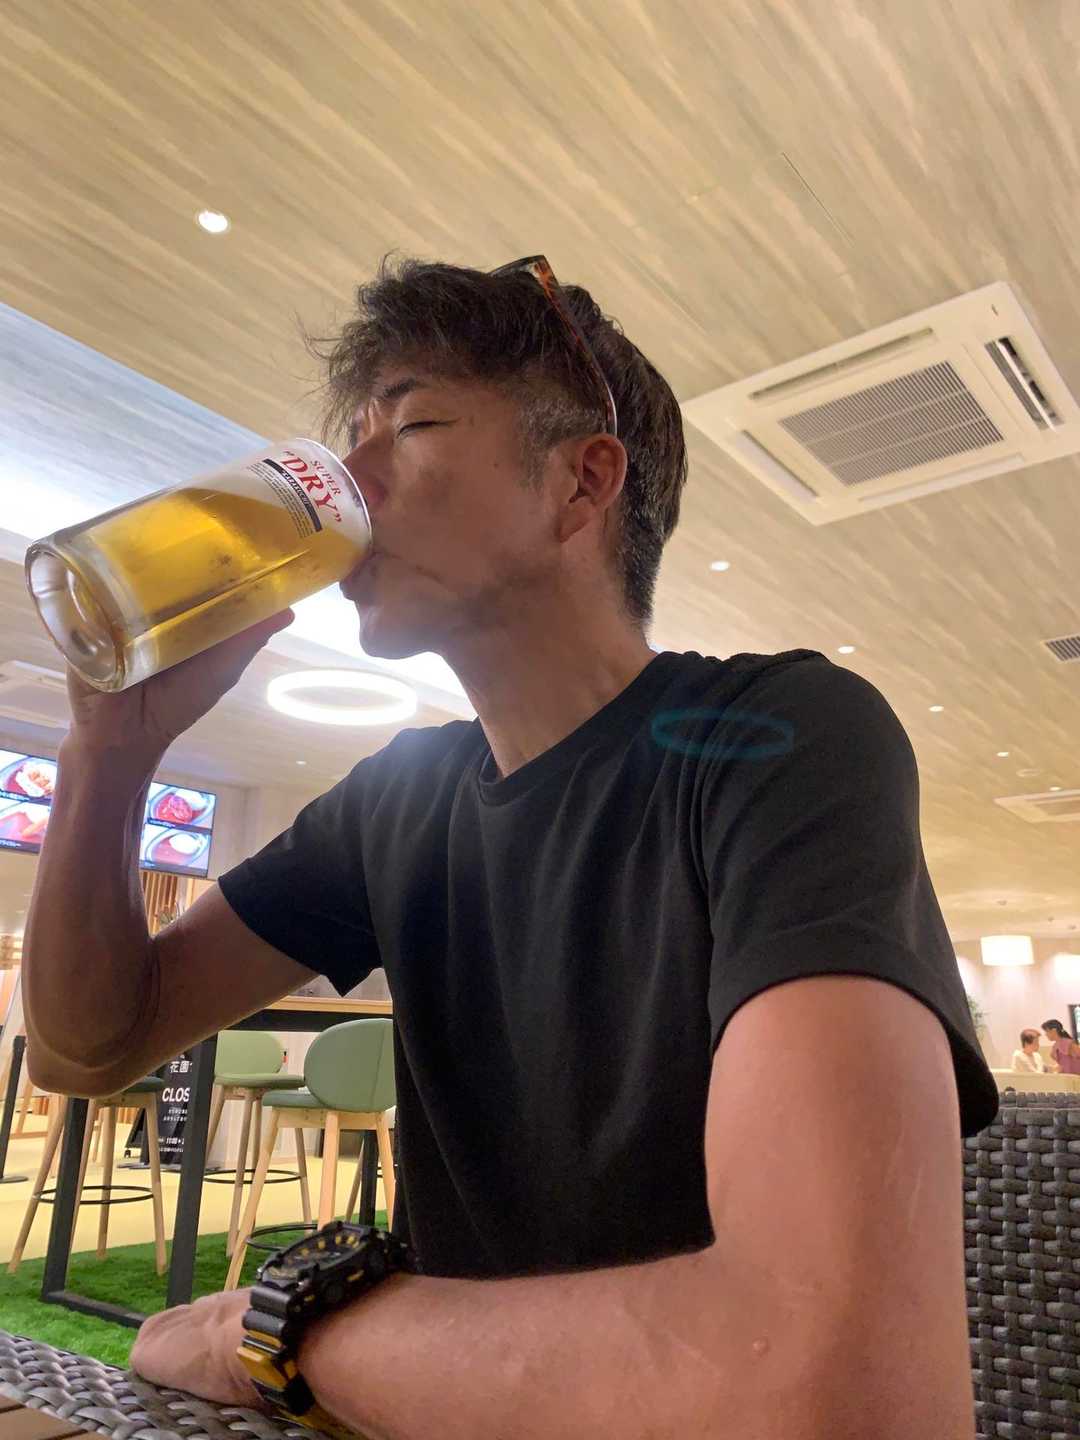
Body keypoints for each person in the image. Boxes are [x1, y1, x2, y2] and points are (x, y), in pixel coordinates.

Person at [24, 256, 998, 1440]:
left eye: (412, 425)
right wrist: (110, 754)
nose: (347, 482)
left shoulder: (773, 736)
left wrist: (280, 1330)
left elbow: (842, 1395)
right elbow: (89, 1044)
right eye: (346, 439)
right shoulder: (400, 800)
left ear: (581, 484)